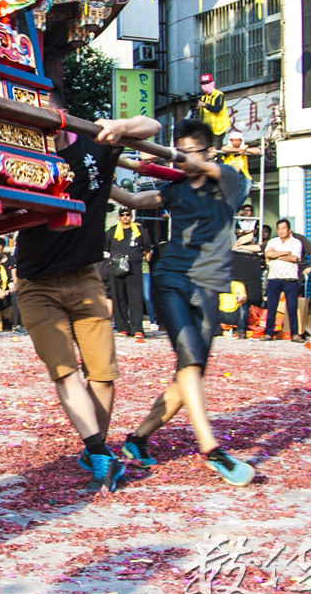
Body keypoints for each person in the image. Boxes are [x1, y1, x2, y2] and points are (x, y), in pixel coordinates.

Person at [16, 88, 161, 492]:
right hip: (36, 283)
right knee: (65, 372)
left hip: (85, 278)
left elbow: (154, 125)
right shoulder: (21, 156)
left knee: (104, 374)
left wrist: (119, 125)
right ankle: (99, 449)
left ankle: (95, 449)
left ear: (62, 112)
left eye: (42, 111)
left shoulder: (96, 145)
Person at [109, 118, 255, 487]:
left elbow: (205, 168)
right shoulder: (173, 189)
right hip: (171, 279)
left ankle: (137, 440)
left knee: (189, 375)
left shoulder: (231, 181)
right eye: (179, 152)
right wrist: (100, 171)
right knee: (189, 360)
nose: (183, 161)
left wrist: (183, 161)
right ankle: (210, 447)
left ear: (209, 152)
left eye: (192, 152)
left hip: (208, 287)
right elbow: (129, 199)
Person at [105, 206, 150, 337]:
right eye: (123, 215)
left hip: (134, 269)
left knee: (136, 299)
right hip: (116, 269)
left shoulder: (139, 231)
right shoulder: (113, 231)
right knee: (119, 298)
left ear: (131, 216)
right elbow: (106, 247)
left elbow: (146, 246)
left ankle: (137, 328)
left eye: (128, 215)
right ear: (119, 216)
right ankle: (123, 327)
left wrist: (135, 257)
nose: (125, 217)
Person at [263, 219, 305, 342]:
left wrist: (277, 256)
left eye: (284, 228)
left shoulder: (296, 242)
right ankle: (269, 332)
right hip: (274, 277)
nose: (281, 231)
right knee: (271, 306)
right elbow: (268, 254)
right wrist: (284, 253)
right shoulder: (273, 241)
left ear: (289, 230)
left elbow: (294, 258)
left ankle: (294, 334)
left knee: (292, 307)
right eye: (279, 228)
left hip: (290, 278)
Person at [195, 74, 229, 142]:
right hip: (207, 129)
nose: (205, 85)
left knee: (215, 151)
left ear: (212, 83)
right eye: (203, 83)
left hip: (217, 129)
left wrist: (204, 105)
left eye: (207, 83)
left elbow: (217, 109)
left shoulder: (219, 95)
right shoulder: (204, 97)